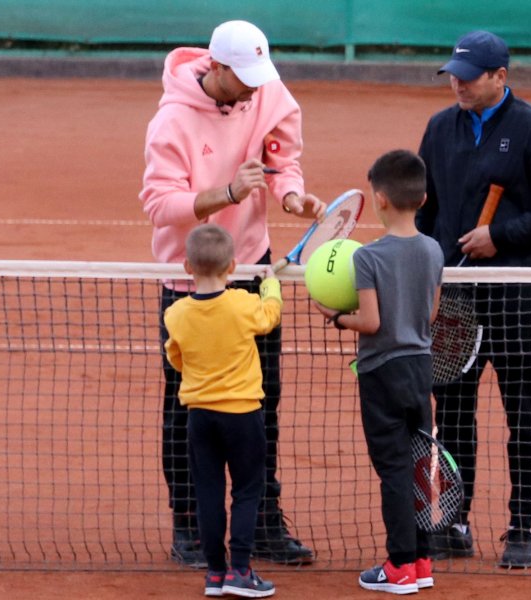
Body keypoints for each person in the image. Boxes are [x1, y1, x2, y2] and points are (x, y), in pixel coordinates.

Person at [139, 19, 322, 568]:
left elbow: (280, 159)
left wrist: (291, 196)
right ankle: (190, 527)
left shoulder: (268, 91)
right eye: (242, 77)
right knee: (186, 409)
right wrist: (226, 193)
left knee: (262, 402)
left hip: (253, 273)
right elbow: (159, 203)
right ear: (215, 68)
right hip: (188, 280)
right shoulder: (169, 121)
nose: (252, 87)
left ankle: (263, 520)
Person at [416, 30, 531, 569]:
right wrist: (430, 268)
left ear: (500, 77)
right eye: (454, 76)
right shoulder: (440, 129)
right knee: (456, 413)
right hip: (456, 300)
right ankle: (456, 519)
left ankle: (521, 528)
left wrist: (502, 237)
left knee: (523, 413)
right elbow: (426, 210)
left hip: (513, 296)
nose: (458, 84)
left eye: (469, 77)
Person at [314, 150, 445, 594]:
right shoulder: (433, 249)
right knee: (417, 466)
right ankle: (423, 559)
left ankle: (399, 567)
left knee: (392, 469)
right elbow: (429, 314)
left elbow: (370, 323)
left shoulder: (367, 259)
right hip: (420, 369)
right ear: (423, 198)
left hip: (381, 374)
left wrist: (335, 315)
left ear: (382, 200)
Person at [164, 224, 282, 597]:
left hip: (200, 418)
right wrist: (271, 283)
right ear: (233, 266)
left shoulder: (177, 314)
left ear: (187, 267)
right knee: (248, 490)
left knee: (209, 492)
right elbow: (270, 316)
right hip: (243, 416)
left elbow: (177, 359)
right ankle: (241, 571)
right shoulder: (243, 304)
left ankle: (215, 573)